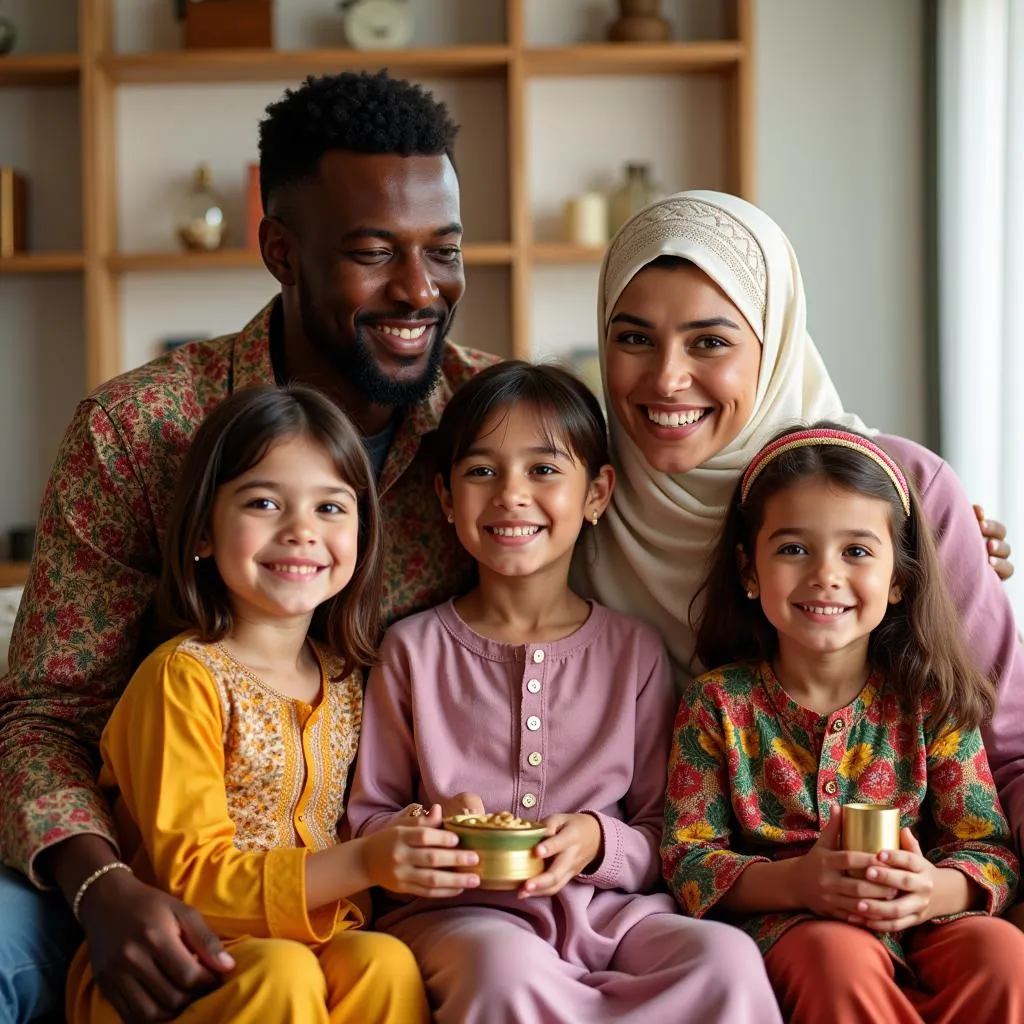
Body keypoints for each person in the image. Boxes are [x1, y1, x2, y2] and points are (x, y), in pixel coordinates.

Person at [0, 71, 497, 1024]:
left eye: (443, 251)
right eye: (372, 253)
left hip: (386, 900)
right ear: (281, 250)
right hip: (142, 878)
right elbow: (43, 720)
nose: (419, 289)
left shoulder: (493, 436)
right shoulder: (139, 428)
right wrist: (102, 889)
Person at [580, 190, 1024, 855]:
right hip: (692, 886)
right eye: (634, 338)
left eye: (710, 341)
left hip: (911, 884)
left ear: (776, 340)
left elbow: (1008, 743)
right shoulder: (576, 503)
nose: (667, 378)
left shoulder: (901, 492)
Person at [346, 361, 781, 1024]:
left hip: (611, 914)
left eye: (544, 470)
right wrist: (425, 833)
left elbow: (666, 830)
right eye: (481, 471)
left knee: (725, 960)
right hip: (465, 920)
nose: (511, 495)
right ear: (444, 497)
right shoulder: (411, 650)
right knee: (505, 972)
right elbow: (370, 816)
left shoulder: (632, 650)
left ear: (598, 493)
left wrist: (596, 842)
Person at [66, 383, 489, 1022]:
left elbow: (351, 823)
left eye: (330, 507)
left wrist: (423, 832)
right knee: (284, 972)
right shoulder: (182, 679)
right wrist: (367, 861)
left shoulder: (348, 677)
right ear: (205, 531)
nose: (300, 531)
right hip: (180, 966)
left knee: (384, 961)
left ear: (363, 533)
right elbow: (192, 882)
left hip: (320, 943)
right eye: (264, 502)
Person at [661, 421, 1024, 1022]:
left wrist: (933, 890)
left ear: (899, 579)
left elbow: (988, 847)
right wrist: (800, 884)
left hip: (926, 919)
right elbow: (689, 859)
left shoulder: (929, 702)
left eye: (856, 551)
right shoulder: (717, 705)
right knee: (837, 957)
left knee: (1005, 955)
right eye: (793, 548)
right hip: (794, 926)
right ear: (750, 572)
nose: (824, 574)